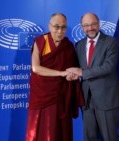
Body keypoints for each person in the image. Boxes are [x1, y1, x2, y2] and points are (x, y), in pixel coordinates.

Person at [25, 13, 84, 141]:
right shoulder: (41, 42)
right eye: (56, 26)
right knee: (41, 129)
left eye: (63, 27)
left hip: (61, 96)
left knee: (60, 131)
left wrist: (70, 77)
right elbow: (36, 68)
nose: (59, 31)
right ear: (49, 26)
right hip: (42, 94)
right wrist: (61, 73)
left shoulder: (68, 46)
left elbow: (71, 71)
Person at [66, 12, 119, 141]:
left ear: (99, 24)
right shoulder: (79, 45)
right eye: (86, 25)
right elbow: (78, 68)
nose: (90, 28)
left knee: (110, 137)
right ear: (81, 27)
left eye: (93, 24)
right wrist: (72, 75)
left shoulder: (111, 42)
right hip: (86, 100)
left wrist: (82, 73)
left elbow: (108, 67)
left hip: (106, 99)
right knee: (89, 137)